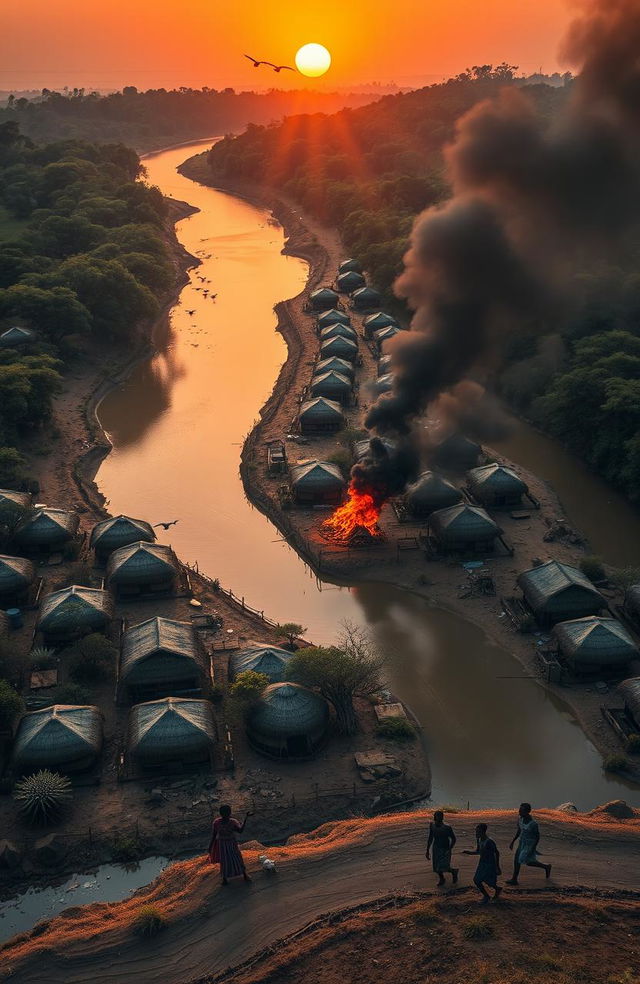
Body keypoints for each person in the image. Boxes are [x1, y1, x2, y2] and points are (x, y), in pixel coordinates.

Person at [507, 802, 552, 885]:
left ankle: (546, 866)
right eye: (519, 810)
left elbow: (537, 837)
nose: (519, 812)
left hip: (529, 844)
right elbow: (519, 830)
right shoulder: (520, 819)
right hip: (521, 842)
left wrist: (533, 848)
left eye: (521, 811)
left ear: (527, 812)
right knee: (517, 860)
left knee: (528, 862)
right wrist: (513, 841)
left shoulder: (533, 824)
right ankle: (514, 879)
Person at [208, 805, 252, 885]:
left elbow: (214, 835)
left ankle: (225, 879)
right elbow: (240, 831)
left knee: (225, 861)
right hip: (231, 843)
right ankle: (244, 875)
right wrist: (246, 818)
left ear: (220, 813)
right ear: (230, 812)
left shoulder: (217, 822)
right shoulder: (232, 822)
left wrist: (210, 847)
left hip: (223, 844)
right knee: (237, 858)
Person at [463, 822, 502, 903]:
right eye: (476, 832)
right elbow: (478, 851)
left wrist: (497, 866)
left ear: (483, 832)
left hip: (490, 864)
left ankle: (495, 890)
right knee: (477, 880)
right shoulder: (480, 840)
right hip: (482, 863)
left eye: (478, 832)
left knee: (488, 881)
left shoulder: (489, 841)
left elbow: (496, 853)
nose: (476, 834)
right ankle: (487, 895)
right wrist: (469, 852)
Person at [426, 810, 458, 886]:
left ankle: (454, 871)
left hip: (445, 848)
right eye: (438, 816)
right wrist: (427, 850)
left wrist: (450, 848)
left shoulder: (447, 827)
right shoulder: (432, 825)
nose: (439, 818)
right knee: (436, 866)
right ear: (435, 817)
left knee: (443, 866)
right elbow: (430, 837)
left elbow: (453, 839)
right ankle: (442, 878)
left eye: (441, 816)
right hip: (436, 848)